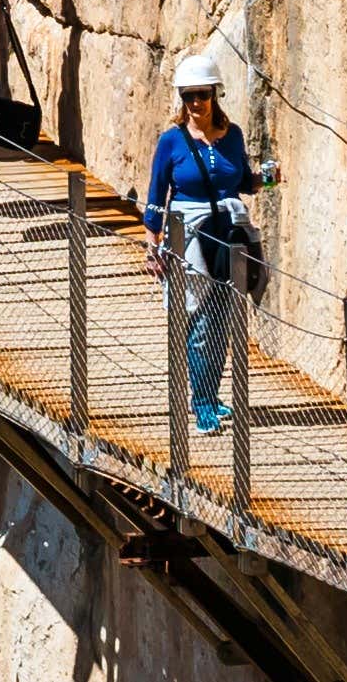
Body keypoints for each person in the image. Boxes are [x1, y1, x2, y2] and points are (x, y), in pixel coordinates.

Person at [143, 44, 277, 435]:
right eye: (188, 96)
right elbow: (155, 197)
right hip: (189, 236)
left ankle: (210, 394)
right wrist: (153, 248)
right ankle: (200, 401)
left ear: (214, 94)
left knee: (221, 321)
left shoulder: (231, 135)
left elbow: (241, 182)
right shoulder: (172, 141)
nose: (196, 103)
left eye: (202, 95)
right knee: (197, 320)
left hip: (228, 235)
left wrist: (267, 178)